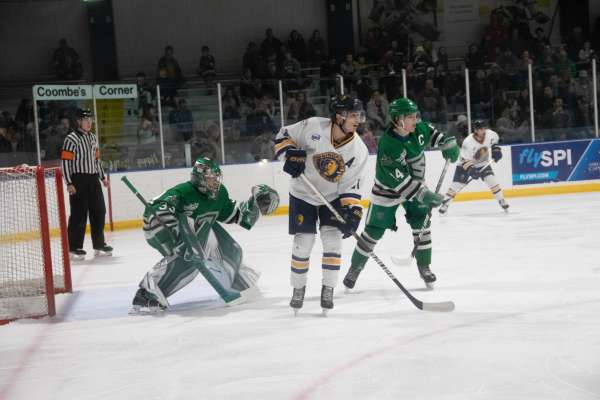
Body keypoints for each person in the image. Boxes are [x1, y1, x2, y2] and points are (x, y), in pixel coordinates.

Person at [132, 157, 279, 313]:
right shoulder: (184, 191)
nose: (215, 181)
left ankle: (235, 283)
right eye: (210, 177)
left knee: (230, 249)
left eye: (216, 176)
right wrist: (181, 235)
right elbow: (155, 211)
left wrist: (255, 203)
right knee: (191, 255)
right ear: (199, 178)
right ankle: (148, 293)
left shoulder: (219, 194)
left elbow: (237, 215)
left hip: (195, 235)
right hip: (159, 229)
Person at [342, 98, 459, 290]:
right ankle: (355, 268)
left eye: (415, 115)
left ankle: (424, 266)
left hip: (416, 186)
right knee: (373, 230)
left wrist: (447, 144)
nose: (415, 120)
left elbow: (433, 134)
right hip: (387, 190)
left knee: (422, 223)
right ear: (398, 119)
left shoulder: (419, 128)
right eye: (410, 117)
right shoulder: (388, 144)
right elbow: (401, 183)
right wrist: (426, 195)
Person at [273, 95, 369, 314]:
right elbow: (284, 135)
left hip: (332, 197)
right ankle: (298, 288)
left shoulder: (358, 149)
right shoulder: (313, 126)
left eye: (359, 115)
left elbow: (351, 183)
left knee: (333, 242)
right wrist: (289, 156)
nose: (358, 120)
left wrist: (352, 212)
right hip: (302, 194)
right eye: (353, 115)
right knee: (303, 243)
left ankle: (328, 288)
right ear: (339, 116)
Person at [60, 109, 112, 260]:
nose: (89, 122)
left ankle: (99, 244)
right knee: (78, 214)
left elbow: (96, 160)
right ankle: (74, 248)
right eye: (86, 119)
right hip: (78, 180)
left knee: (99, 211)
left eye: (91, 119)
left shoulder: (93, 138)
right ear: (78, 122)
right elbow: (65, 163)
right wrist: (69, 182)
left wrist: (102, 178)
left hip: (93, 180)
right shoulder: (71, 139)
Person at [439, 120, 509, 214]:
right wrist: (472, 170)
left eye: (484, 128)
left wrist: (496, 149)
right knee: (456, 185)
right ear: (476, 130)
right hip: (465, 164)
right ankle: (445, 204)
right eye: (481, 129)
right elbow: (464, 159)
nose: (483, 130)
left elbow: (494, 141)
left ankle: (501, 200)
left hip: (482, 163)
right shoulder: (468, 142)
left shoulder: (490, 134)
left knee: (492, 180)